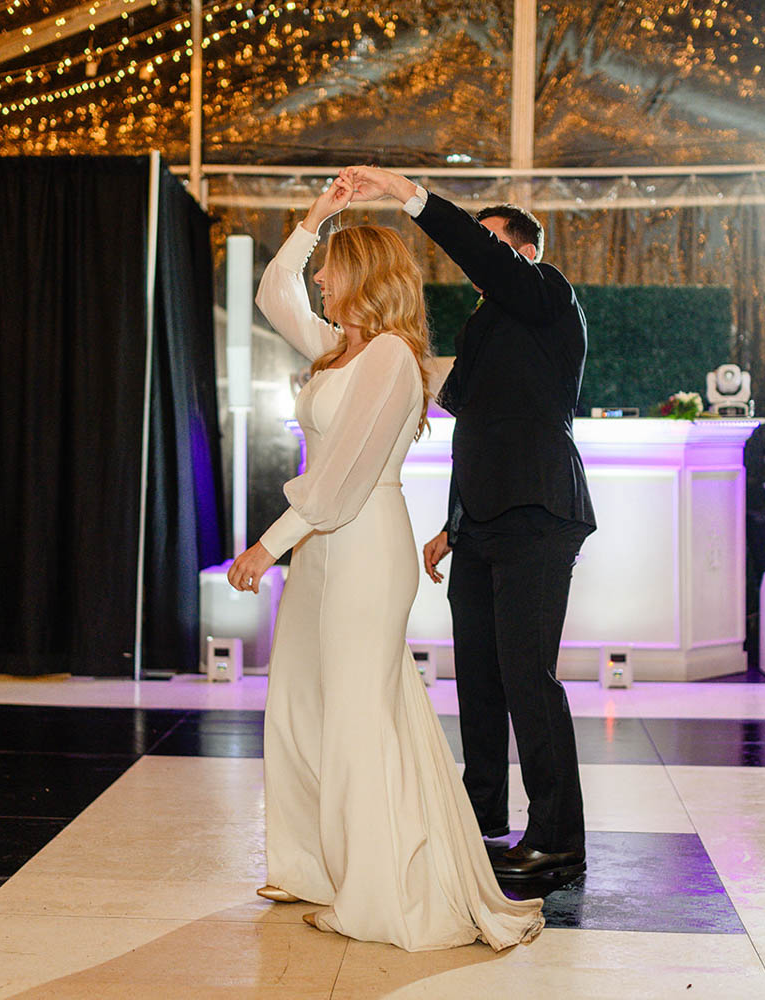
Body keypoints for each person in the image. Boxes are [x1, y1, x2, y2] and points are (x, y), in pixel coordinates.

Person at [225, 176, 545, 952]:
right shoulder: (340, 350)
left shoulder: (394, 361)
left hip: (363, 543)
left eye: (330, 267)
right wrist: (315, 220)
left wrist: (268, 545)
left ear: (362, 277)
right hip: (326, 546)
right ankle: (311, 864)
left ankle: (375, 891)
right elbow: (274, 293)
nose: (319, 279)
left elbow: (342, 481)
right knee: (302, 703)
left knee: (360, 717)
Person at [342, 166, 595, 882]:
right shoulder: (487, 325)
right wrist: (453, 524)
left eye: (493, 246)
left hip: (541, 515)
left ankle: (558, 840)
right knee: (479, 679)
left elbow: (485, 258)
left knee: (527, 678)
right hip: (482, 522)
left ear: (524, 253)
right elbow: (478, 428)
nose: (478, 256)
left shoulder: (549, 296)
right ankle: (480, 813)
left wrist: (412, 195)